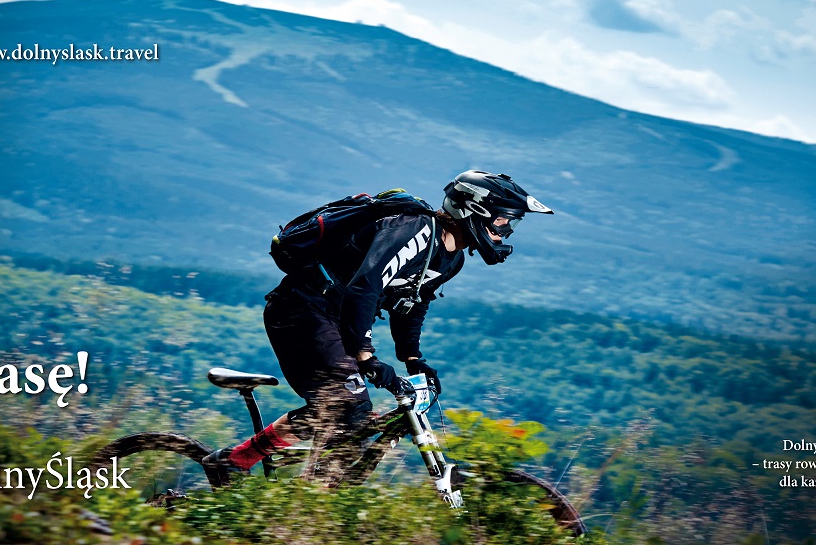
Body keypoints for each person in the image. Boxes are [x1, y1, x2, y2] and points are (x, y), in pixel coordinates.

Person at [203, 170, 553, 483]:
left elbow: (412, 304)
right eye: (504, 222)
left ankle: (314, 493)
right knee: (345, 403)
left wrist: (413, 359)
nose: (506, 231)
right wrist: (366, 356)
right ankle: (244, 465)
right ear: (473, 211)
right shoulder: (414, 230)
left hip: (335, 320)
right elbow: (365, 287)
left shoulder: (451, 258)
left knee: (350, 418)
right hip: (303, 309)